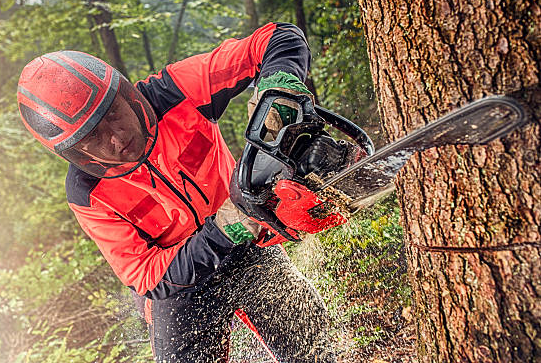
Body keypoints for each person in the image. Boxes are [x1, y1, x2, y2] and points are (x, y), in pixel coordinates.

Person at [17, 22, 339, 362]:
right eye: (94, 138)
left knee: (315, 347)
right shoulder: (87, 192)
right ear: (76, 152)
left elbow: (277, 38)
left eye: (114, 115)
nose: (116, 137)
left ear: (126, 95)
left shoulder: (174, 92)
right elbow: (146, 276)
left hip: (250, 245)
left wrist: (279, 87)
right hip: (181, 290)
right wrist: (227, 226)